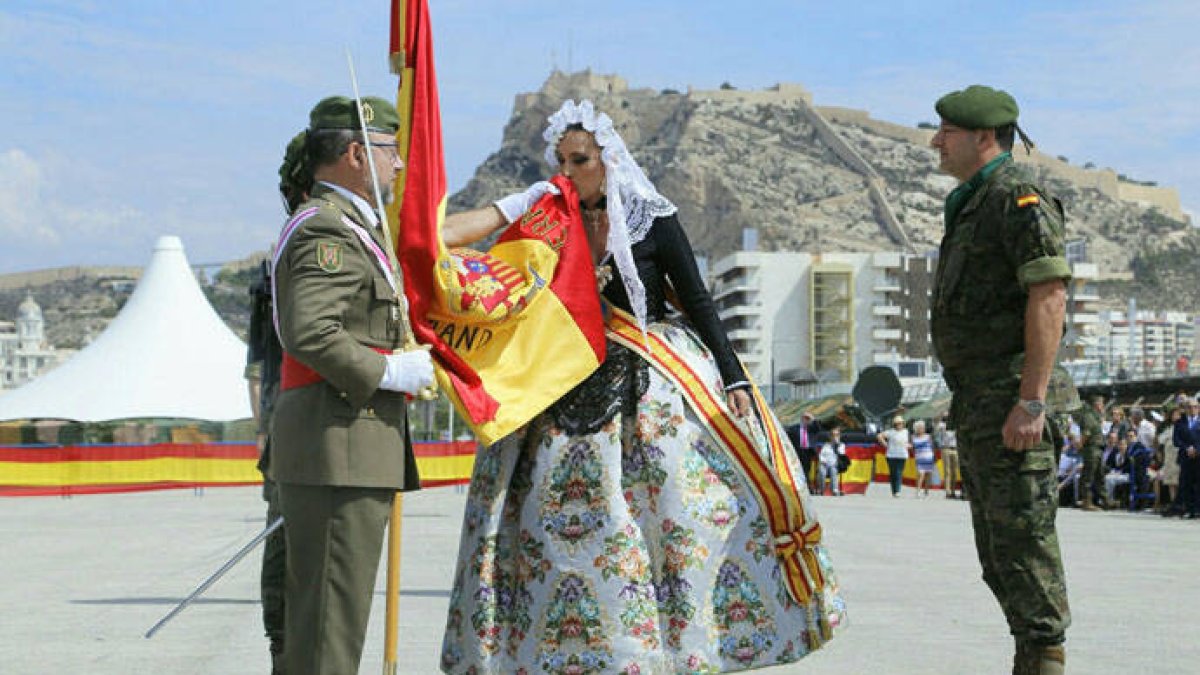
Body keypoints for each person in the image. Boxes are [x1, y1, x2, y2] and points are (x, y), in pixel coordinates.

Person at [439, 100, 844, 673]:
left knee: (670, 513)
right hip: (563, 377)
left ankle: (667, 644)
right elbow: (457, 234)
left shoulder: (653, 219)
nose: (568, 170)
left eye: (579, 160)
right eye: (561, 160)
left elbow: (699, 302)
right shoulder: (549, 213)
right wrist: (466, 220)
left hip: (650, 378)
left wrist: (733, 375)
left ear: (608, 158)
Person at [269, 95, 435, 674]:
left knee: (325, 631)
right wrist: (388, 371)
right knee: (327, 642)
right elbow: (310, 331)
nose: (398, 167)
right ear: (356, 155)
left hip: (346, 448)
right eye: (391, 153)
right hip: (338, 449)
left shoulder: (349, 227)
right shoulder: (326, 230)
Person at [929, 85, 1074, 674]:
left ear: (983, 137)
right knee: (1001, 557)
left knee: (1026, 558)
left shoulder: (1017, 197)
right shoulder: (977, 201)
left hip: (1013, 402)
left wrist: (1031, 402)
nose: (935, 142)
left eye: (947, 132)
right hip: (984, 404)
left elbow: (1049, 294)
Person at [244, 131, 312, 674]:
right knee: (285, 554)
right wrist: (265, 430)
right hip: (290, 416)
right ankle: (282, 653)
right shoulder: (283, 258)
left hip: (290, 417)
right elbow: (260, 358)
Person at [1170, 398, 1200, 518]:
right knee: (1186, 483)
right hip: (1185, 457)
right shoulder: (1179, 422)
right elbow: (1176, 440)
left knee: (1198, 484)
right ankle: (1188, 508)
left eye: (1195, 407)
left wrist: (1197, 449)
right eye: (1190, 407)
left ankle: (1198, 509)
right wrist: (1187, 448)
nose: (1193, 409)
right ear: (1186, 409)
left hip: (1198, 457)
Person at [1076, 395, 1105, 511]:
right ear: (1096, 404)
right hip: (1091, 449)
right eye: (1102, 403)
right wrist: (1080, 445)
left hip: (1097, 448)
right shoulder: (1088, 416)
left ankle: (1105, 499)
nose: (1103, 406)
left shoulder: (1095, 416)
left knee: (1099, 475)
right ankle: (1087, 501)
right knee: (1088, 476)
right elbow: (1086, 433)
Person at [877, 415, 911, 498]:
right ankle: (894, 491)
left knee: (899, 473)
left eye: (901, 423)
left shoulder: (906, 432)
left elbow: (908, 442)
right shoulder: (891, 432)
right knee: (893, 474)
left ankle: (898, 491)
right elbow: (879, 436)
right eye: (897, 423)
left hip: (902, 455)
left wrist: (909, 445)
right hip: (891, 455)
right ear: (895, 424)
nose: (899, 425)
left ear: (903, 424)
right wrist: (885, 444)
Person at [935, 414, 962, 499]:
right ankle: (948, 491)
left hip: (955, 448)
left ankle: (953, 491)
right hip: (945, 448)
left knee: (955, 471)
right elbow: (936, 431)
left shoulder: (956, 425)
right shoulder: (942, 425)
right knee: (947, 471)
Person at [817, 426, 847, 496]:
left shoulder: (841, 445)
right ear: (830, 436)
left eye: (837, 435)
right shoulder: (826, 445)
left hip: (834, 464)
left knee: (833, 470)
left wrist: (837, 445)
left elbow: (841, 454)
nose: (834, 437)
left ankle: (834, 490)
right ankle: (821, 490)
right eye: (833, 435)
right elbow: (821, 455)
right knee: (821, 471)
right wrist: (823, 461)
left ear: (839, 436)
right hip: (824, 464)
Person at [911, 420, 936, 497]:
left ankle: (926, 491)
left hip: (928, 457)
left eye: (922, 427)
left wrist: (933, 456)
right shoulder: (913, 437)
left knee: (928, 474)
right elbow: (913, 448)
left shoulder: (928, 436)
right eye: (919, 427)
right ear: (916, 428)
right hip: (919, 458)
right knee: (920, 474)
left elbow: (932, 446)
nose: (921, 429)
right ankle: (918, 491)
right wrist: (915, 456)